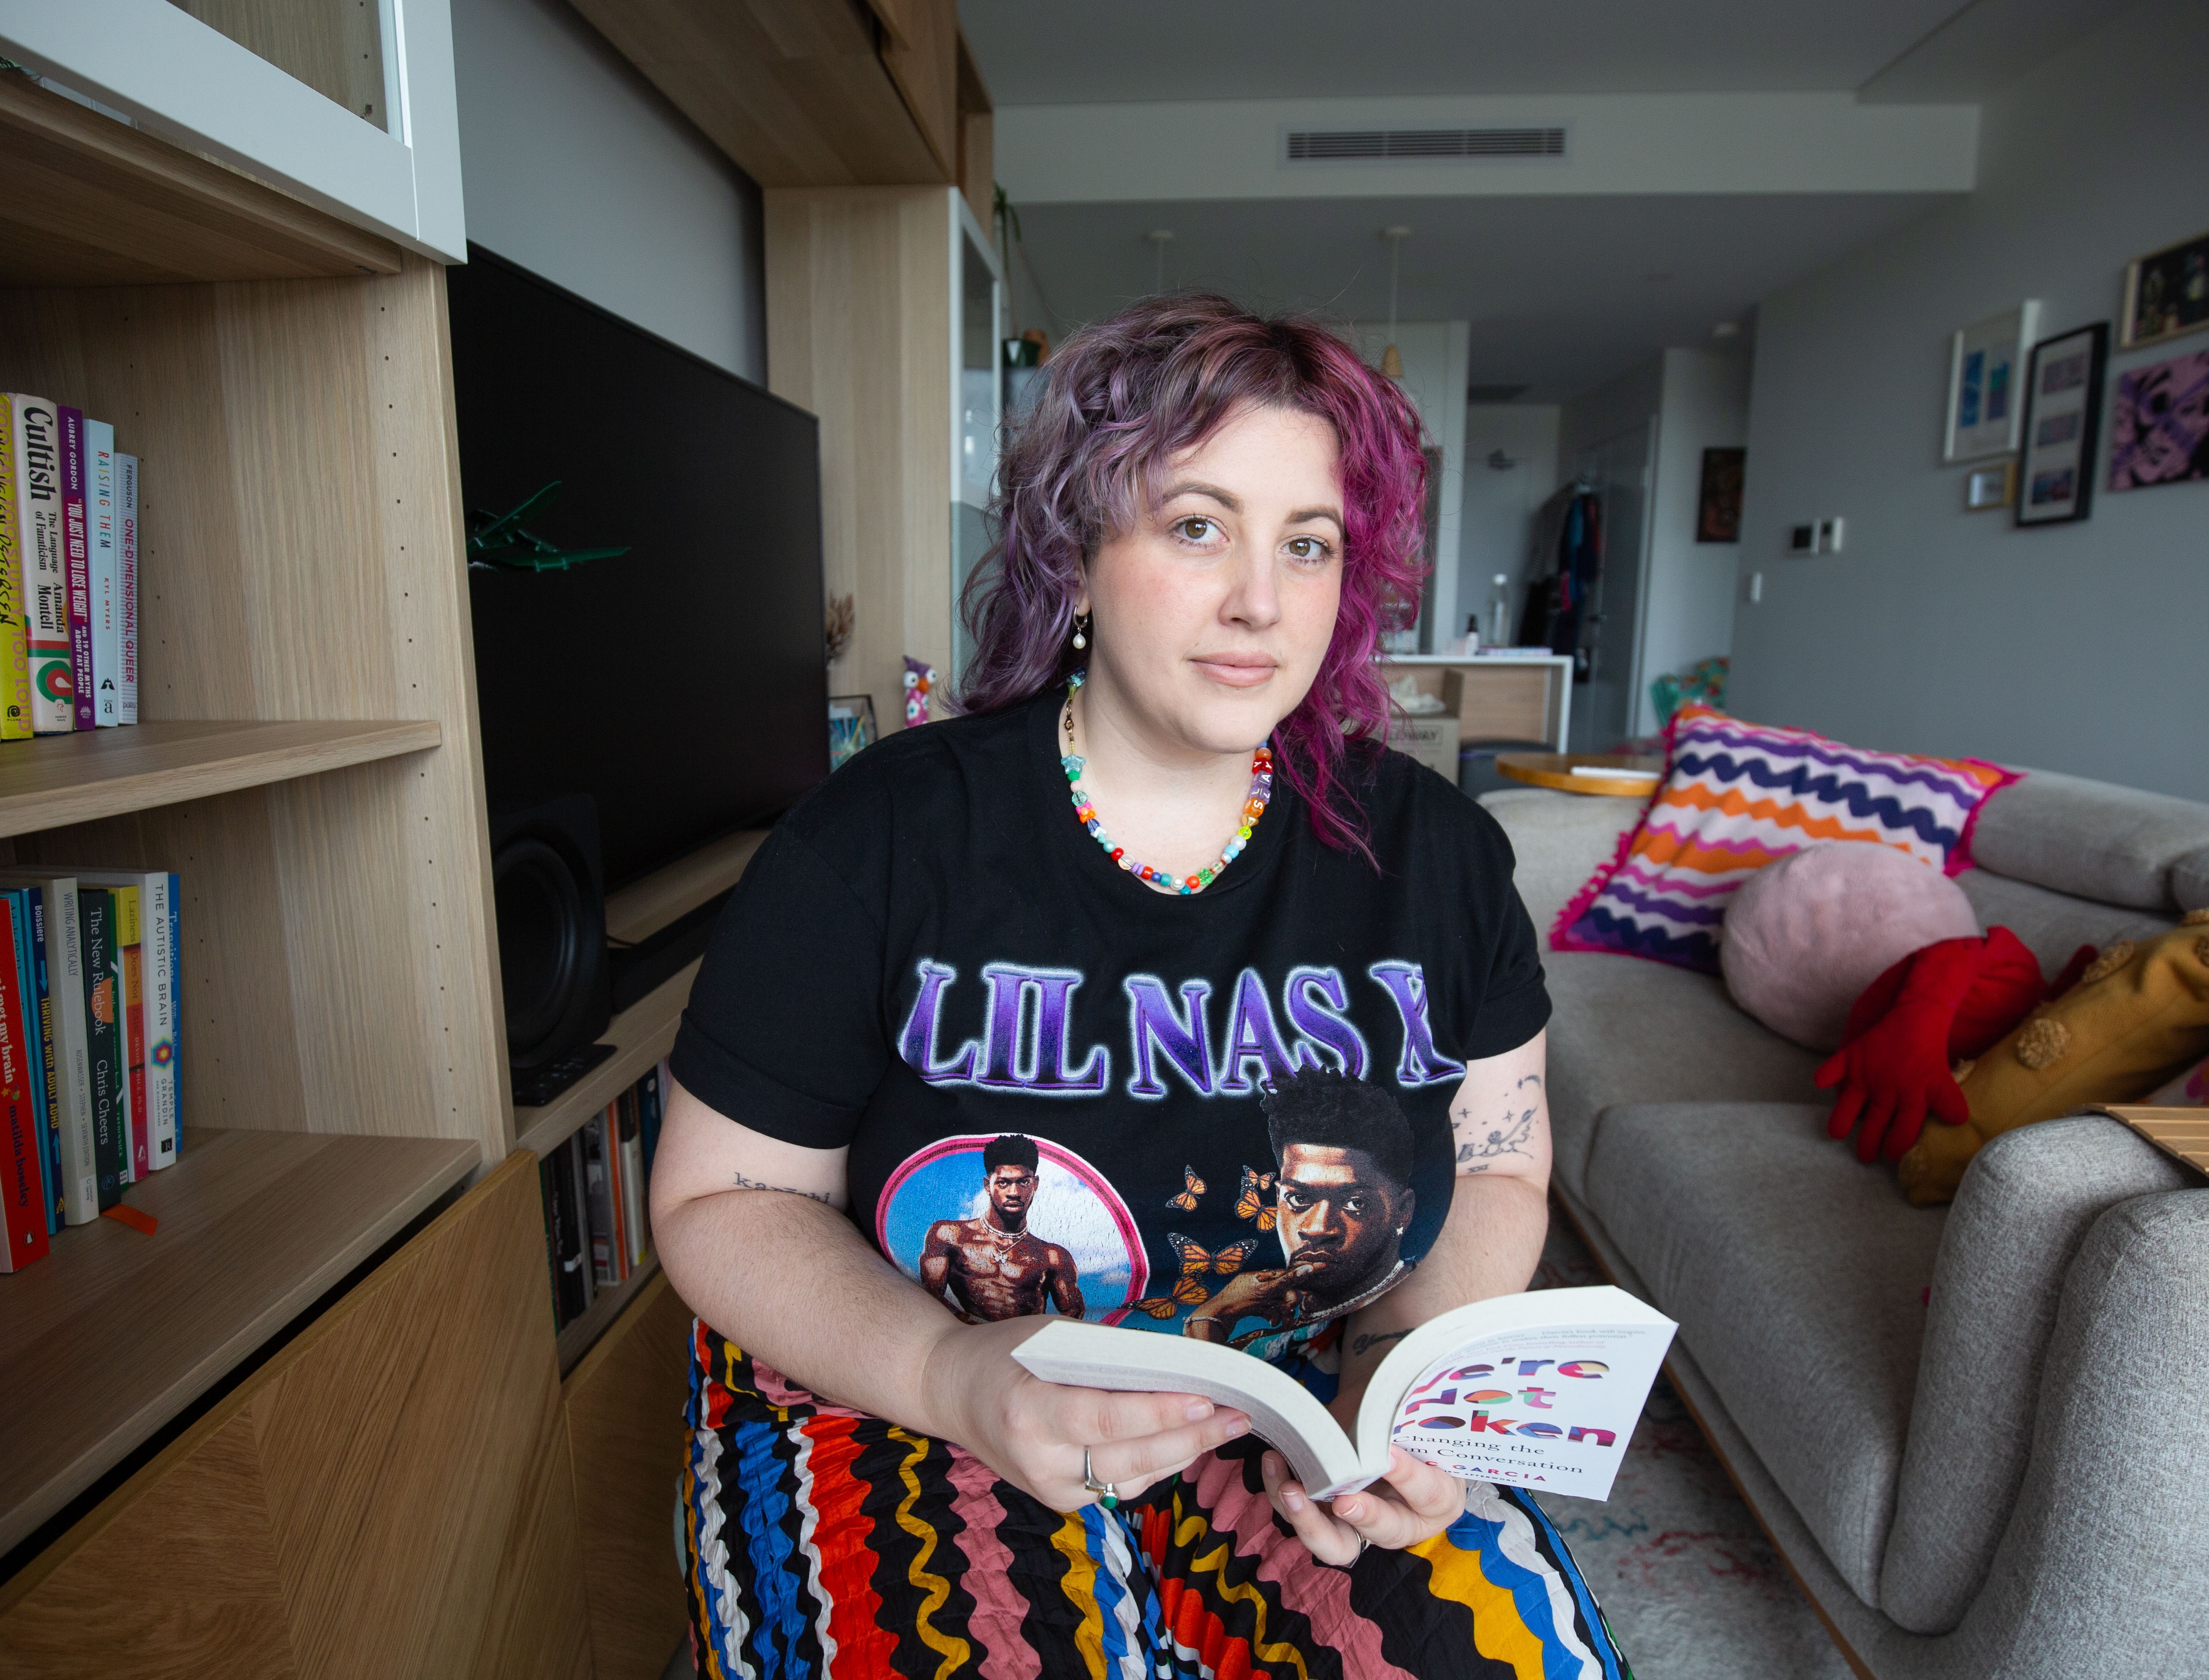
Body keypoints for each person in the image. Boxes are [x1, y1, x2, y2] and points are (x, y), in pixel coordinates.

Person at [653, 294, 1624, 1678]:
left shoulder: (1440, 853)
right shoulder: (878, 836)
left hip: (1288, 1401)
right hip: (899, 1380)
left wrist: (1404, 1379)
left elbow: (1499, 1162)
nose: (1260, 600)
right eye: (1196, 524)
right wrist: (950, 1377)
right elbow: (722, 1196)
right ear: (1080, 543)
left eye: (1310, 543)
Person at [1186, 1070, 1418, 1345]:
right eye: (1298, 1199)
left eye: (1355, 1203)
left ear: (1403, 1211)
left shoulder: (1412, 1315)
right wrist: (1215, 1315)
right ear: (1278, 1199)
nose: (1317, 1228)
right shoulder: (1262, 1336)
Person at [919, 1133, 1085, 1320]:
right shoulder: (950, 1236)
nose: (1014, 1193)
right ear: (987, 1185)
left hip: (1026, 1343)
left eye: (1023, 1182)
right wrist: (971, 1327)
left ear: (1035, 1184)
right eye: (1003, 1183)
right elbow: (929, 1296)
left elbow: (1075, 1313)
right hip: (967, 1342)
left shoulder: (1053, 1256)